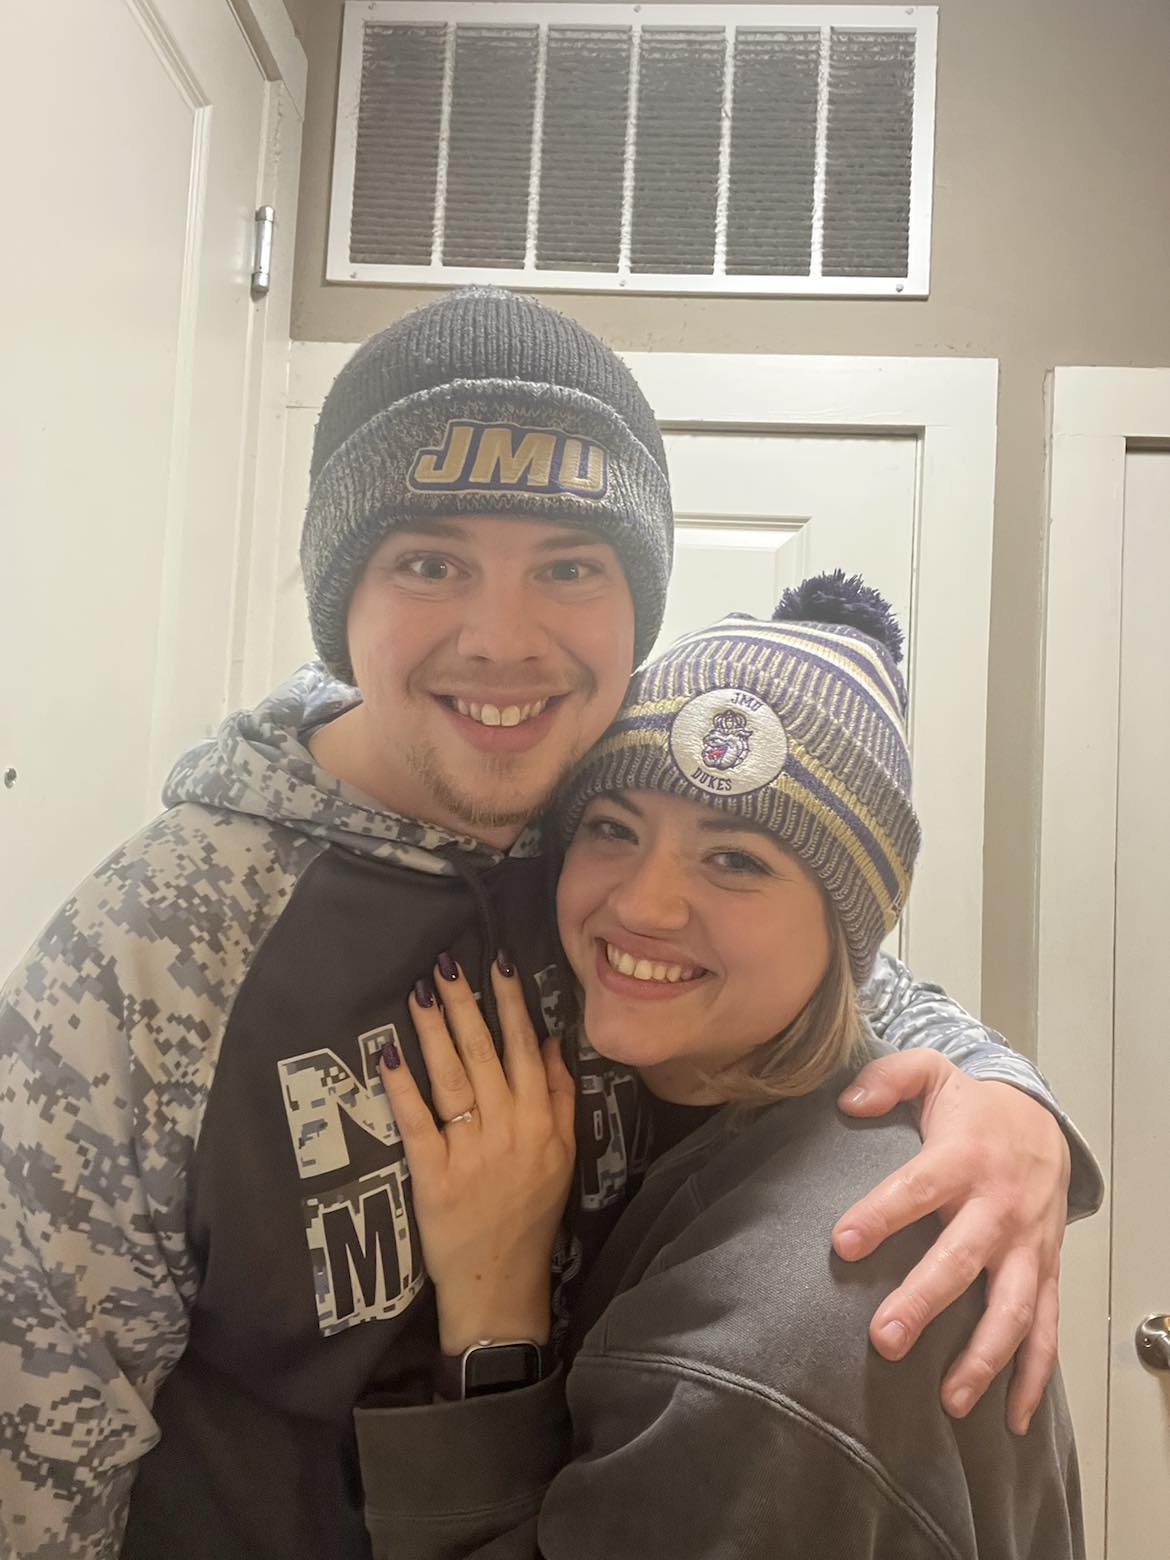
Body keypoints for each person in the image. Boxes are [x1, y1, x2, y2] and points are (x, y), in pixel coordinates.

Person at [0, 291, 1097, 1559]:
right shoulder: (150, 957)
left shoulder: (602, 814)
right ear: (344, 595)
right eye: (430, 562)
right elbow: (40, 1460)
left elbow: (845, 969)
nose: (503, 641)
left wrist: (1008, 1103)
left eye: (569, 566)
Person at [363, 576, 1085, 1559]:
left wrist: (495, 1316)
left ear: (847, 931)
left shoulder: (756, 1364)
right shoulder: (735, 1098)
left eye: (736, 860)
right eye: (613, 828)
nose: (643, 905)